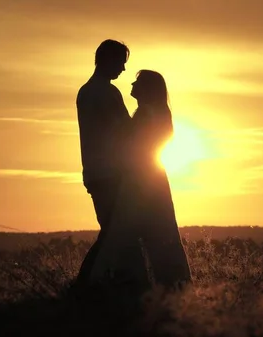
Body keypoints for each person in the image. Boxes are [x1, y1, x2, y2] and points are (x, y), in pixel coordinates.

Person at [87, 70, 192, 292]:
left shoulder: (149, 114)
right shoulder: (153, 112)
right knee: (158, 231)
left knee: (129, 231)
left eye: (138, 81)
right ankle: (169, 285)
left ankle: (102, 284)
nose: (132, 83)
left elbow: (135, 145)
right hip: (148, 176)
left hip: (142, 178)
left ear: (147, 89)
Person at [73, 39, 132, 289]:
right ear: (107, 60)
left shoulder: (85, 91)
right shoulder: (107, 92)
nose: (123, 69)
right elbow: (127, 130)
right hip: (111, 172)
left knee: (113, 230)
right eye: (121, 63)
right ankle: (85, 283)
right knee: (114, 231)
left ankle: (105, 282)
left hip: (94, 172)